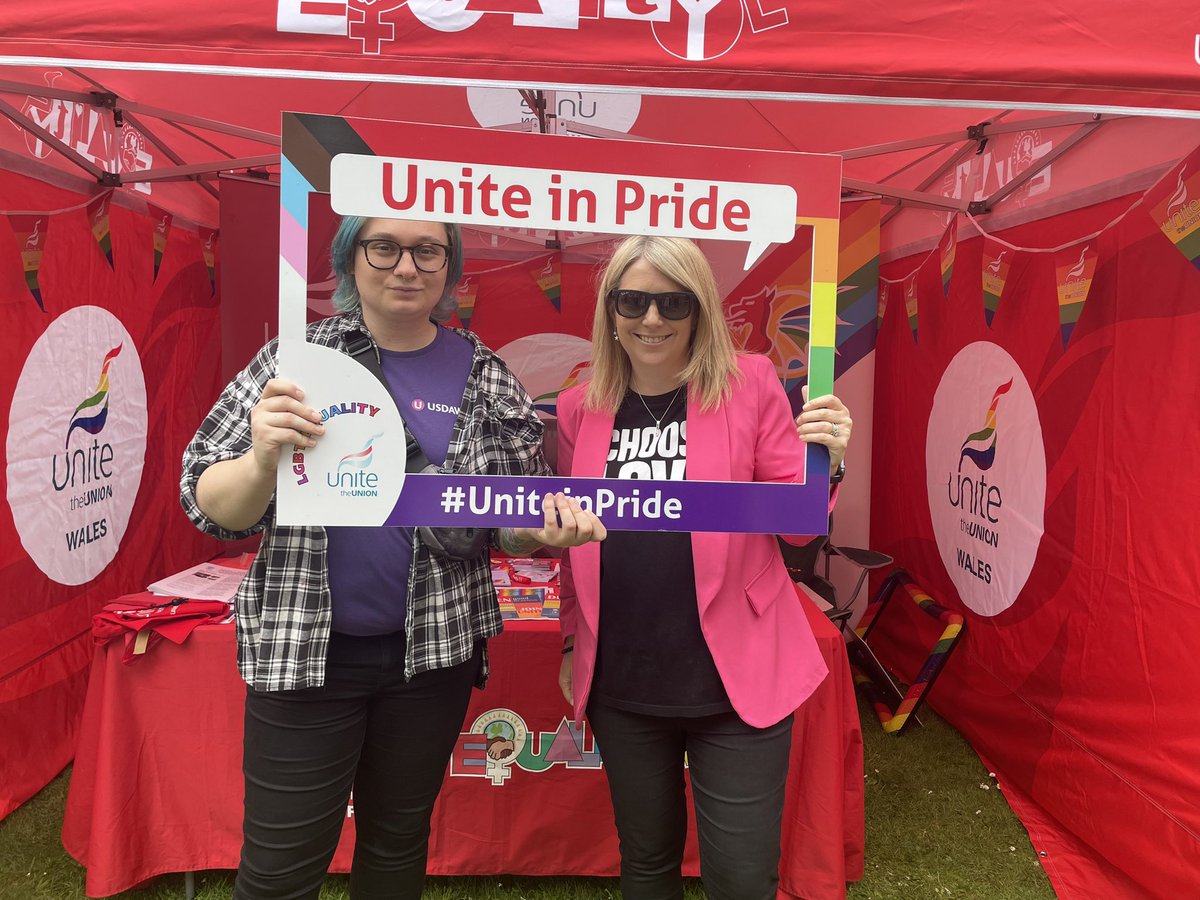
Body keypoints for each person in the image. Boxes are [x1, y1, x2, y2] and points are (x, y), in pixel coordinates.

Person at [180, 214, 605, 900]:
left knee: (397, 845)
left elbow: (508, 527)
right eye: (384, 247)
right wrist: (262, 458)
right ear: (351, 261)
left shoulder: (487, 377)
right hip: (304, 656)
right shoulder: (293, 367)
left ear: (448, 268)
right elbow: (208, 505)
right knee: (280, 870)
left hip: (430, 659)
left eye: (426, 250)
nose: (406, 266)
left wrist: (541, 533)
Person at [555, 235, 852, 900]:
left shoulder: (750, 384)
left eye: (673, 302)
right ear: (610, 311)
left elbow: (799, 524)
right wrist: (574, 639)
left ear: (701, 310)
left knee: (742, 879)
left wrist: (824, 462)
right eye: (633, 301)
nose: (652, 319)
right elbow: (572, 546)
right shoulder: (580, 407)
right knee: (647, 863)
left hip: (735, 679)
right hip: (625, 679)